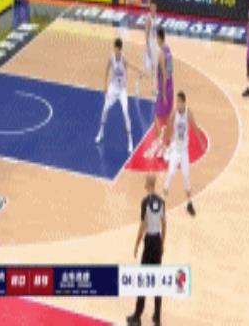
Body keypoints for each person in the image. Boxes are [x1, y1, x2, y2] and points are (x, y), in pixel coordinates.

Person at [126, 174, 166, 326]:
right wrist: (162, 244)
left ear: (148, 184)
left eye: (145, 181)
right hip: (158, 241)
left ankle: (137, 317)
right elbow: (164, 224)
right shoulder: (161, 202)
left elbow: (143, 226)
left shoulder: (145, 202)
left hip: (149, 241)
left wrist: (137, 244)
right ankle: (157, 316)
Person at [95, 38, 142, 154]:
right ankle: (101, 131)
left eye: (118, 50)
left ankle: (130, 141)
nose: (116, 51)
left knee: (125, 112)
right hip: (113, 88)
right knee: (105, 109)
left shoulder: (123, 59)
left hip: (122, 91)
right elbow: (106, 70)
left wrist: (140, 70)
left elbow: (132, 65)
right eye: (115, 49)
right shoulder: (111, 57)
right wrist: (105, 85)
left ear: (120, 50)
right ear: (114, 48)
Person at [163, 91, 204, 216]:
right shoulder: (174, 113)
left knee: (186, 176)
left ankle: (189, 203)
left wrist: (201, 142)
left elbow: (195, 128)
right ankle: (162, 202)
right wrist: (165, 141)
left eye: (179, 102)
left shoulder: (188, 113)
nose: (177, 104)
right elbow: (168, 126)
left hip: (184, 151)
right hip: (175, 149)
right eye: (177, 102)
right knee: (170, 173)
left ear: (184, 103)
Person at [154, 28, 174, 144]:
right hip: (171, 84)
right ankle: (170, 141)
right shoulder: (168, 49)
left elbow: (164, 74)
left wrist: (164, 94)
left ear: (159, 38)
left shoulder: (161, 53)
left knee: (156, 116)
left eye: (156, 38)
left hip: (164, 87)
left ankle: (161, 142)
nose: (156, 40)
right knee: (168, 117)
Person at [144, 3, 159, 96]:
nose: (155, 9)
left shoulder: (155, 17)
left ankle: (154, 89)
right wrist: (148, 47)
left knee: (155, 67)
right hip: (150, 45)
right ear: (150, 9)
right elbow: (146, 33)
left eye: (155, 8)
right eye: (153, 8)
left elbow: (155, 32)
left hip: (154, 44)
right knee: (148, 69)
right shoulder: (149, 18)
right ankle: (139, 82)